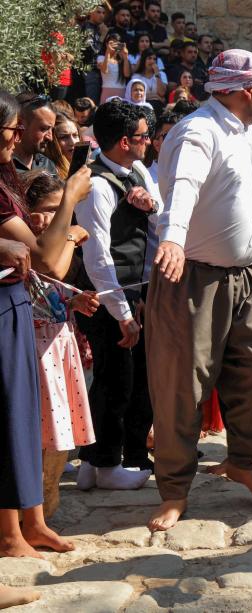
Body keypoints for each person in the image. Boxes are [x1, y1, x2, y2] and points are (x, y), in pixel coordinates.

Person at [148, 49, 252, 532]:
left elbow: (239, 190)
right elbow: (183, 186)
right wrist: (173, 238)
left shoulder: (243, 133)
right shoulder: (198, 131)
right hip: (194, 279)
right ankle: (174, 491)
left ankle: (242, 460)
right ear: (246, 91)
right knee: (181, 387)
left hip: (248, 276)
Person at [0, 89, 92, 557]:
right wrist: (71, 203)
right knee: (10, 420)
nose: (18, 137)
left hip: (17, 305)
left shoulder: (6, 181)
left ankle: (33, 521)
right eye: (13, 127)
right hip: (5, 309)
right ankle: (11, 532)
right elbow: (49, 264)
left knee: (23, 423)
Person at [73, 99, 160, 489]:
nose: (149, 142)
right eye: (144, 136)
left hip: (131, 290)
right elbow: (97, 255)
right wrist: (122, 313)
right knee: (115, 380)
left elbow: (161, 213)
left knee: (121, 378)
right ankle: (107, 465)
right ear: (125, 141)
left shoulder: (137, 169)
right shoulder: (95, 185)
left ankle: (94, 463)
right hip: (105, 296)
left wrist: (151, 202)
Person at [22, 171, 99, 517]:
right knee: (35, 436)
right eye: (50, 209)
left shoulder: (58, 242)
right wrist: (68, 234)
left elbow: (52, 288)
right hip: (32, 353)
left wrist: (73, 302)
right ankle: (29, 511)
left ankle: (46, 507)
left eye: (62, 209)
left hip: (57, 347)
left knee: (57, 437)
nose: (57, 217)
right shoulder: (29, 246)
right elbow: (50, 269)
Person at [12, 97, 57, 175]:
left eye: (52, 130)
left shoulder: (47, 164)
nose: (50, 137)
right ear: (20, 124)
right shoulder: (5, 167)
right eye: (44, 129)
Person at [47, 113, 82, 179]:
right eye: (64, 137)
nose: (73, 142)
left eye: (75, 135)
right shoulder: (50, 172)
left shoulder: (89, 165)